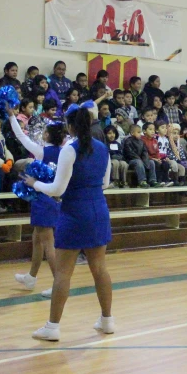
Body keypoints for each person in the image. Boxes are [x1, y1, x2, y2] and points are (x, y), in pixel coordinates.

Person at [25, 106, 114, 341]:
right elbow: (105, 183)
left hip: (75, 212)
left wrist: (35, 184)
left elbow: (57, 189)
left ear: (71, 127)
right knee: (100, 268)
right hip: (99, 210)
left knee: (63, 272)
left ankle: (52, 327)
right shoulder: (103, 148)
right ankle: (107, 321)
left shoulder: (69, 150)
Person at [8, 105, 66, 295]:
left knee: (48, 243)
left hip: (43, 198)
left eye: (45, 131)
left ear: (48, 136)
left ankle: (58, 284)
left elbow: (21, 137)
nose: (43, 133)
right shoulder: (65, 152)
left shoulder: (42, 152)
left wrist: (11, 117)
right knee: (37, 239)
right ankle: (31, 277)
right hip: (55, 198)